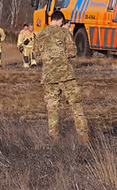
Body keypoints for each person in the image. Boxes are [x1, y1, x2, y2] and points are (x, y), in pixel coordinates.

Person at [33, 11, 90, 142]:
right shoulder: (64, 33)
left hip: (48, 76)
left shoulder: (40, 34)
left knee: (52, 109)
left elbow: (37, 57)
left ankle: (54, 137)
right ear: (61, 21)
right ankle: (83, 137)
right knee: (76, 106)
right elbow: (72, 52)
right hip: (66, 75)